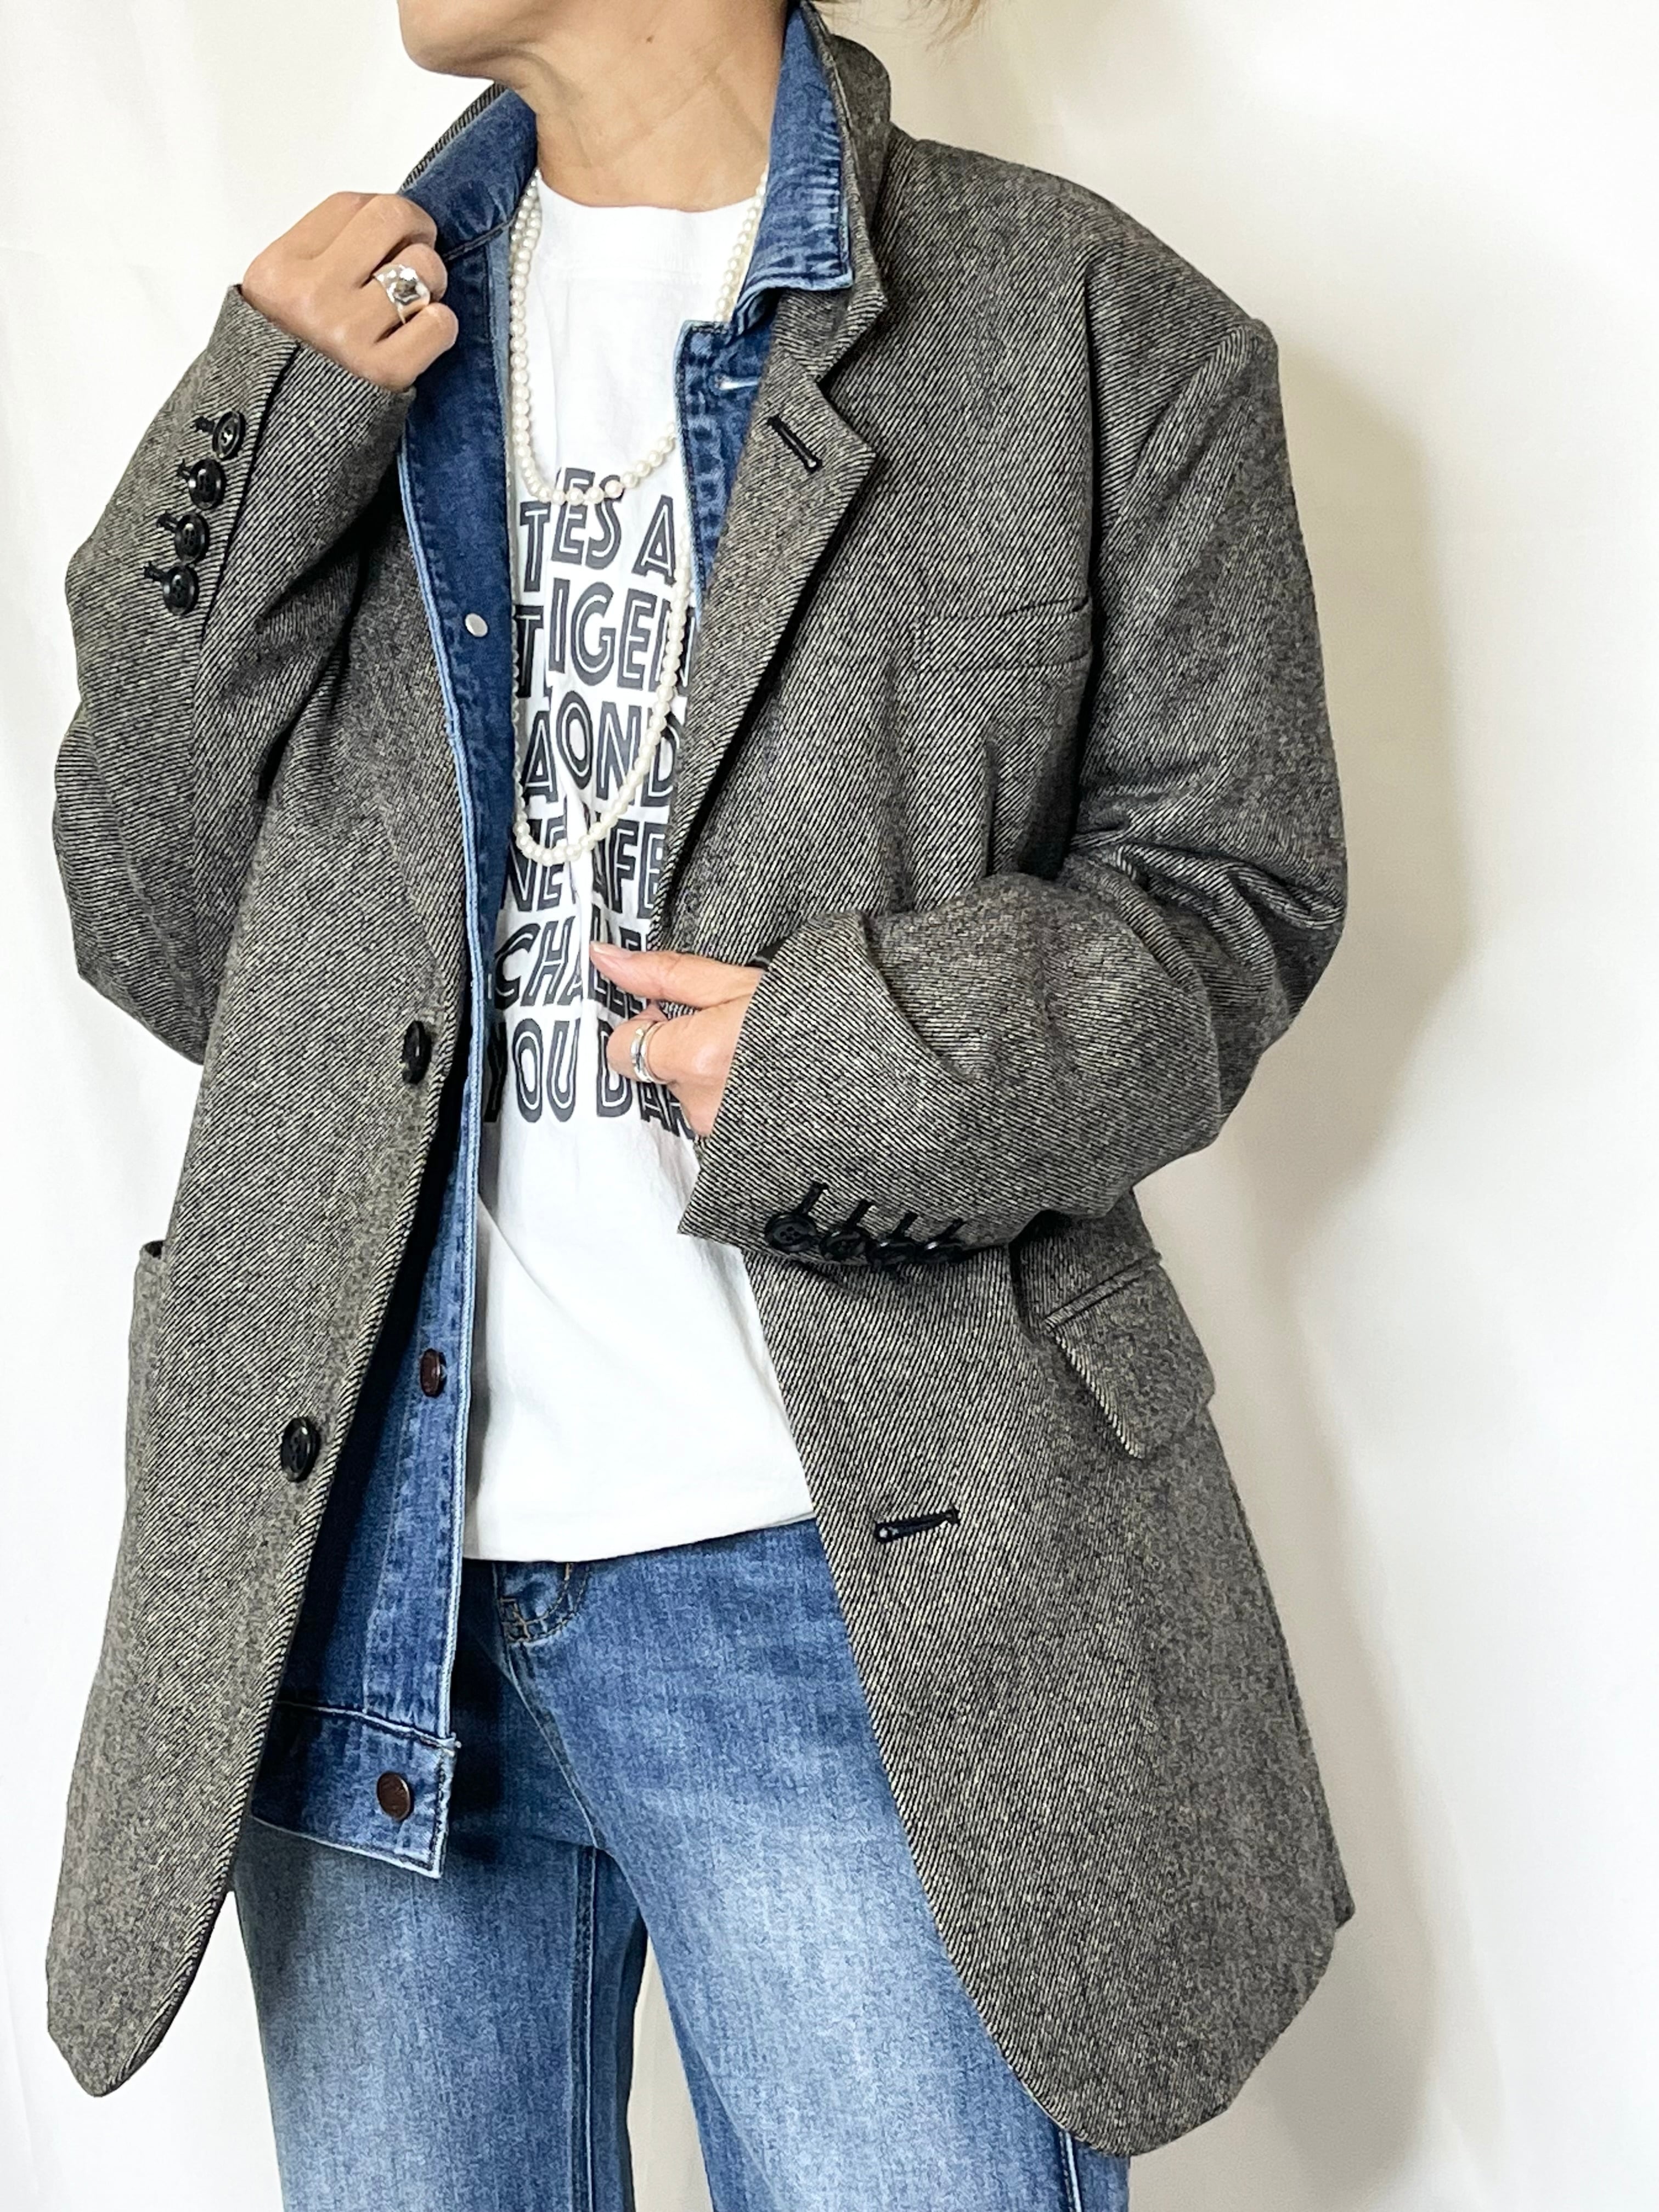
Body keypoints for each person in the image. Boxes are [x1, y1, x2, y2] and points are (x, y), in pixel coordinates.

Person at [45, 0, 1353, 2204]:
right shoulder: (351, 343)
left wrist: (855, 1053)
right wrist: (258, 420)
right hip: (358, 1578)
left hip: (864, 1592)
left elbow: (1231, 904)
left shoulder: (1093, 326)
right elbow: (161, 925)